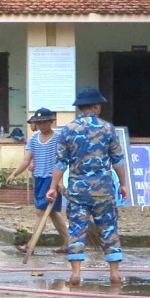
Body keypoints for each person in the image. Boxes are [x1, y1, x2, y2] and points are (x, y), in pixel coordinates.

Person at [53, 87, 133, 287]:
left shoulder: (68, 130)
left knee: (77, 230)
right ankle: (114, 275)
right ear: (97, 107)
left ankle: (76, 274)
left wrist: (53, 186)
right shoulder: (108, 129)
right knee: (109, 229)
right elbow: (118, 160)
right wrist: (123, 184)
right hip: (103, 190)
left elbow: (61, 163)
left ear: (80, 108)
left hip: (78, 191)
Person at [4, 107, 67, 251]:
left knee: (41, 212)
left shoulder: (58, 138)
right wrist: (14, 174)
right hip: (38, 178)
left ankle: (30, 245)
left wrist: (60, 182)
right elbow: (26, 161)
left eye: (44, 122)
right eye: (38, 123)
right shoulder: (33, 139)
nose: (41, 126)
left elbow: (61, 162)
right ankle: (69, 243)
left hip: (51, 179)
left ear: (51, 122)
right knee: (52, 213)